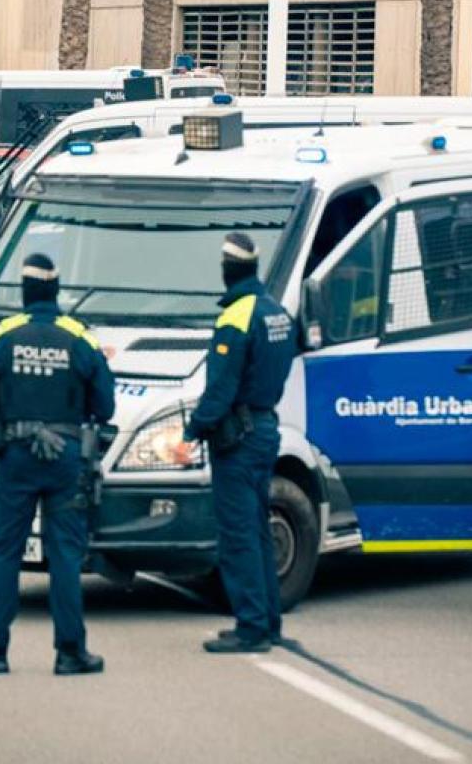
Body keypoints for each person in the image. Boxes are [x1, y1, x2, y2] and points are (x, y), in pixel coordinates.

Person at [0, 253, 115, 677]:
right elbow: (105, 406)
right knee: (66, 556)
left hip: (15, 457)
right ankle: (70, 652)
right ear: (55, 291)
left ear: (24, 291)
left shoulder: (3, 335)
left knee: (5, 553)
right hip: (65, 458)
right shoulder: (79, 337)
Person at [189, 232, 297, 654]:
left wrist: (195, 427)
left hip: (238, 437)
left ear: (227, 269)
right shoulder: (277, 313)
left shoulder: (237, 316)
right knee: (256, 530)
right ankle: (268, 622)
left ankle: (250, 628)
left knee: (238, 535)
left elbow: (220, 388)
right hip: (265, 427)